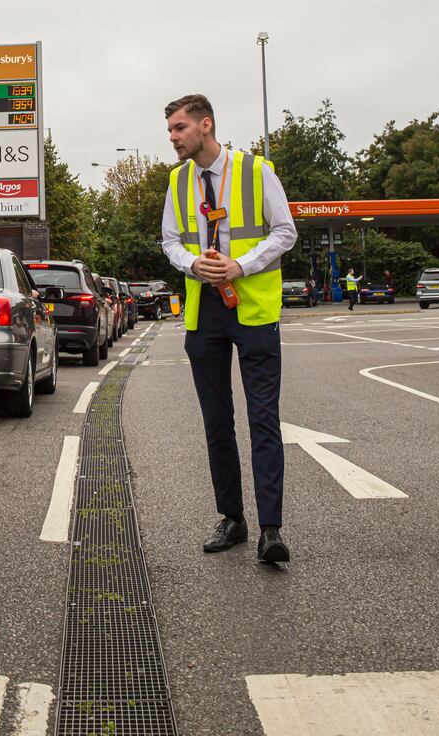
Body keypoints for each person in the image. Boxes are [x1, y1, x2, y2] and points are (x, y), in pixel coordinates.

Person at [161, 94, 297, 565]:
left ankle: (271, 530)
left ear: (205, 125)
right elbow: (170, 241)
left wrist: (240, 265)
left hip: (254, 310)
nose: (173, 138)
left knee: (263, 420)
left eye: (179, 128)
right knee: (217, 423)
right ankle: (233, 520)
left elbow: (285, 232)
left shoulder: (257, 171)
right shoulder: (178, 181)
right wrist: (192, 263)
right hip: (205, 313)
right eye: (171, 131)